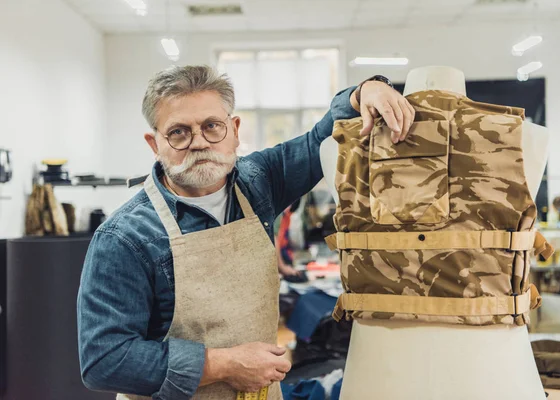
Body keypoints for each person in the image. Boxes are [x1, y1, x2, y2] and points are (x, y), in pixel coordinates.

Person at [77, 65, 414, 399]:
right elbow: (105, 359)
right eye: (178, 132)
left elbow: (320, 139)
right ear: (155, 144)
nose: (198, 143)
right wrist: (224, 364)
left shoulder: (259, 182)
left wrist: (363, 92)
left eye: (212, 126)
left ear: (234, 130)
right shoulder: (123, 238)